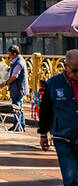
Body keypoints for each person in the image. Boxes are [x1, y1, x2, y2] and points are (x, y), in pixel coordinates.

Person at [39, 49, 78, 185]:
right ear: (65, 67)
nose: (77, 74)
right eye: (74, 71)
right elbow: (45, 111)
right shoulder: (53, 84)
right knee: (71, 177)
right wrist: (43, 133)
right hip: (63, 136)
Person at [0, 45, 28, 131]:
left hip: (18, 88)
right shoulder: (18, 60)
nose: (9, 56)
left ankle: (17, 126)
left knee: (16, 106)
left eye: (10, 54)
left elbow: (14, 76)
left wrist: (5, 83)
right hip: (18, 88)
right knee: (19, 106)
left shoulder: (19, 62)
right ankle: (21, 125)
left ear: (15, 54)